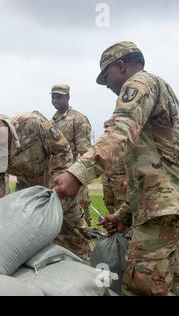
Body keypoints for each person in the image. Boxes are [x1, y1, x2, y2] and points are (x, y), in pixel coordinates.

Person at [51, 41, 178, 296]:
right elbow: (159, 175)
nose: (107, 85)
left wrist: (78, 173)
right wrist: (123, 216)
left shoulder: (139, 83)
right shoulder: (161, 90)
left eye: (106, 77)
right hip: (166, 212)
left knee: (144, 288)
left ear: (121, 66)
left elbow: (121, 129)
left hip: (160, 217)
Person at [0, 106, 92, 260]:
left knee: (72, 231)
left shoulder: (31, 123)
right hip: (27, 188)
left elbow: (63, 151)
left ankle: (85, 266)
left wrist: (57, 190)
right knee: (30, 234)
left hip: (57, 181)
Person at [50, 84, 92, 226]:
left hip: (73, 176)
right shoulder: (51, 122)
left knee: (79, 219)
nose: (56, 100)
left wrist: (78, 176)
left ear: (68, 97)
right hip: (57, 176)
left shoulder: (78, 119)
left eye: (60, 97)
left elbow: (85, 152)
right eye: (53, 97)